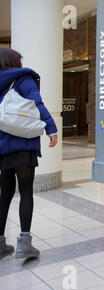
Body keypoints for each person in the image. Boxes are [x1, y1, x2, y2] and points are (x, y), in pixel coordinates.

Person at [0, 48, 58, 260]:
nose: (22, 63)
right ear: (14, 61)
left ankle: (0, 244)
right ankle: (24, 244)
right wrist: (51, 128)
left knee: (4, 193)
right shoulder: (22, 78)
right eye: (20, 60)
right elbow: (38, 104)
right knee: (25, 191)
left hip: (2, 147)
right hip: (23, 144)